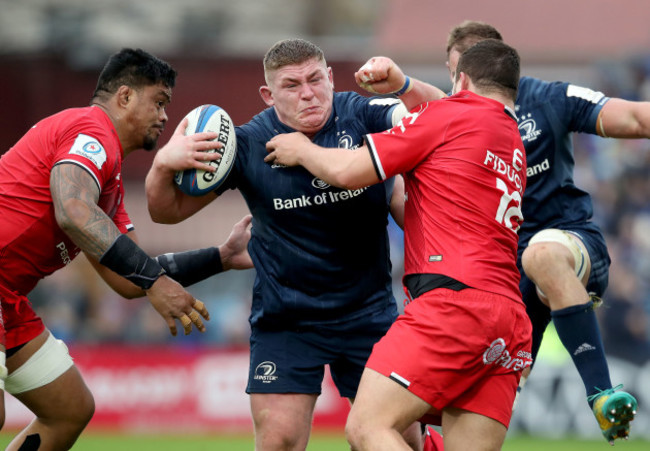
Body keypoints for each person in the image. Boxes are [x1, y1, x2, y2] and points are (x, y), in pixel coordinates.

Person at [145, 38, 445, 451]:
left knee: (397, 439)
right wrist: (163, 164)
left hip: (368, 313)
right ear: (269, 96)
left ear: (331, 78)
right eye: (292, 85)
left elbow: (438, 114)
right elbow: (168, 212)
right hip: (286, 320)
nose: (308, 93)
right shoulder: (246, 144)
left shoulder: (361, 114)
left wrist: (404, 84)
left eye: (315, 79)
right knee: (279, 440)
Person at [265, 38, 532, 451]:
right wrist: (405, 84)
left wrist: (302, 149)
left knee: (367, 428)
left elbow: (351, 171)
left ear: (460, 79)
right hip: (509, 316)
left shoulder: (450, 115)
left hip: (454, 303)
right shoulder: (510, 139)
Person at [0, 48, 253, 450]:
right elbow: (74, 211)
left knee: (69, 409)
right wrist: (155, 281)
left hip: (8, 299)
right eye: (159, 101)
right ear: (124, 97)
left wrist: (221, 257)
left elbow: (130, 277)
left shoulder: (110, 187)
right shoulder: (91, 129)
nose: (165, 116)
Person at [443, 20, 639, 445]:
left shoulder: (551, 98)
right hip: (500, 281)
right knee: (469, 417)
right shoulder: (443, 119)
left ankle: (601, 393)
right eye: (462, 74)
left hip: (567, 243)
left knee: (540, 254)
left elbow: (633, 116)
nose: (470, 84)